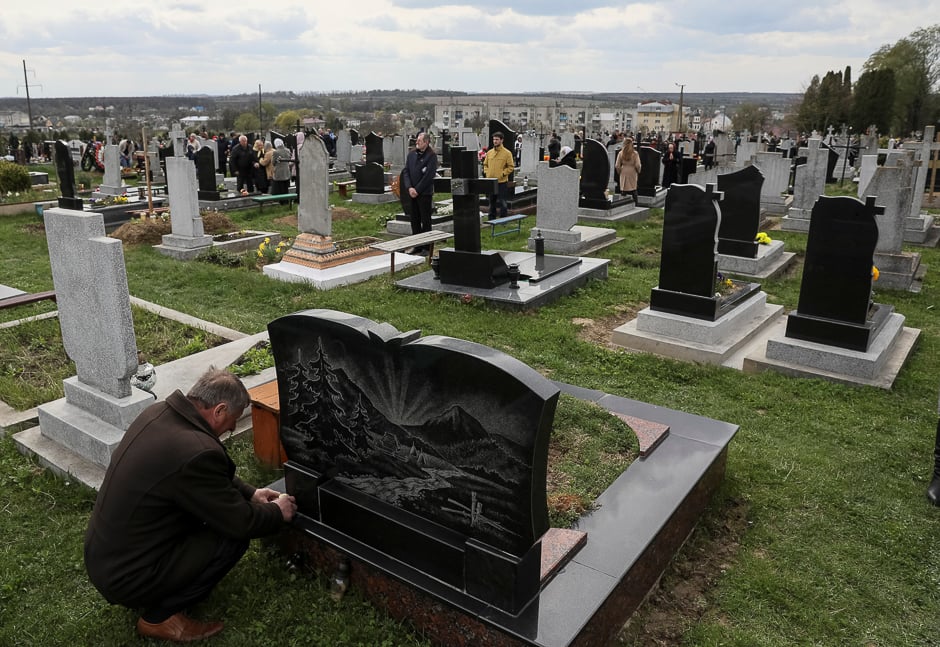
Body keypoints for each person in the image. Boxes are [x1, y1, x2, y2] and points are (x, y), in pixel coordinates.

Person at [84, 367, 296, 642]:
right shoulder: (196, 452)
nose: (232, 428)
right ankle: (160, 617)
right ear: (219, 410)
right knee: (230, 539)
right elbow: (242, 522)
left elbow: (210, 480)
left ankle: (160, 587)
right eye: (232, 420)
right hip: (128, 576)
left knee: (210, 518)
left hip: (107, 561)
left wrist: (251, 492)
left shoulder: (160, 414)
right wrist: (278, 512)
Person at [401, 132, 439, 255]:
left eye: (420, 141)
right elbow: (406, 171)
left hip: (424, 193)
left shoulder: (431, 156)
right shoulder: (412, 154)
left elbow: (429, 176)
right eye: (417, 140)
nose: (417, 142)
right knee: (415, 220)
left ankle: (427, 247)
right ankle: (416, 245)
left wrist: (417, 189)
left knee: (425, 220)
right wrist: (409, 188)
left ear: (426, 142)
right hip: (412, 192)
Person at [483, 132, 514, 220]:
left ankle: (503, 219)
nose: (495, 141)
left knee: (502, 202)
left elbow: (511, 167)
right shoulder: (489, 153)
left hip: (501, 182)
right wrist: (487, 172)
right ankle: (491, 218)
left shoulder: (507, 153)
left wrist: (503, 173)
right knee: (491, 201)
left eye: (497, 139)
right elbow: (485, 164)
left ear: (501, 140)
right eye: (494, 139)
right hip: (491, 181)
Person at [615, 136, 642, 204]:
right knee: (633, 189)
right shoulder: (635, 153)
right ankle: (636, 203)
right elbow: (638, 165)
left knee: (624, 189)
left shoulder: (621, 153)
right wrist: (638, 171)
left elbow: (617, 165)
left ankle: (622, 204)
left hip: (624, 171)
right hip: (632, 171)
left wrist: (619, 172)